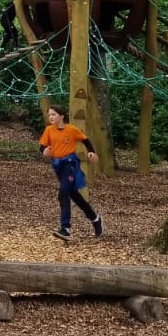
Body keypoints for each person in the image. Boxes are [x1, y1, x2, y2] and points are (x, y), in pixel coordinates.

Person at [39, 103, 103, 242]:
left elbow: (85, 140)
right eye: (49, 115)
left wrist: (91, 152)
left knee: (63, 193)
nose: (51, 117)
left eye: (53, 114)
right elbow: (42, 146)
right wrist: (44, 151)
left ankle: (65, 229)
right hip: (57, 166)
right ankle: (95, 218)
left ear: (61, 116)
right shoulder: (49, 130)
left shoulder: (72, 129)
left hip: (70, 164)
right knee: (74, 195)